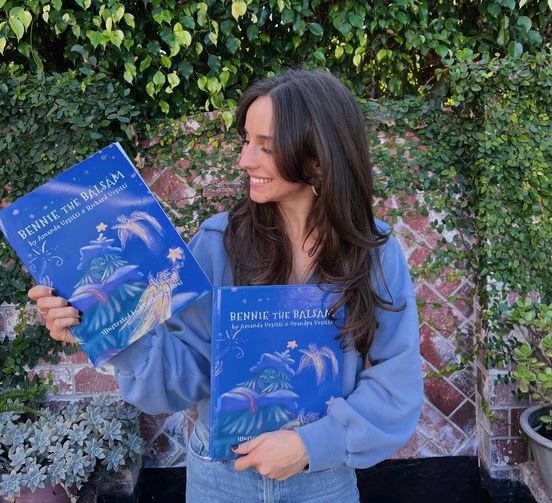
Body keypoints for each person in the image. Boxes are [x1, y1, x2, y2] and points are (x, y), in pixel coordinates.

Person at [28, 68, 424, 502]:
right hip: (221, 478)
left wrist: (311, 445)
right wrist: (107, 331)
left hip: (323, 480)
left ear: (317, 157)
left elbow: (396, 384)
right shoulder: (219, 243)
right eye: (246, 140)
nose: (244, 160)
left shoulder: (374, 253)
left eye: (265, 146)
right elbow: (184, 377)